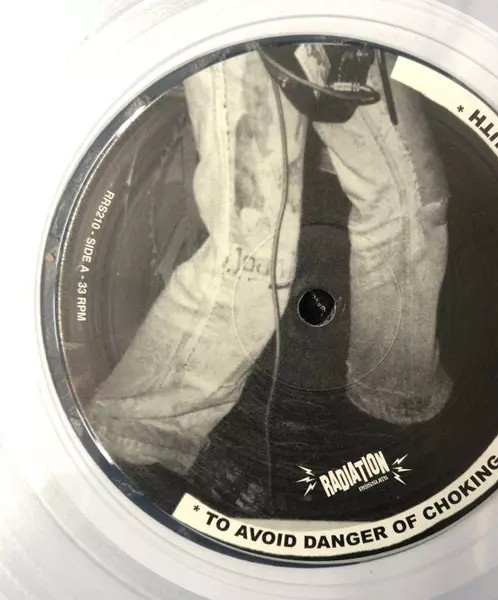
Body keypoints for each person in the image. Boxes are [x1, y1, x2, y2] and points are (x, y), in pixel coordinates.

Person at [87, 43, 452, 478]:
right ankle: (140, 432)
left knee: (413, 207)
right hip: (245, 26)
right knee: (254, 244)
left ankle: (394, 397)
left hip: (349, 25)